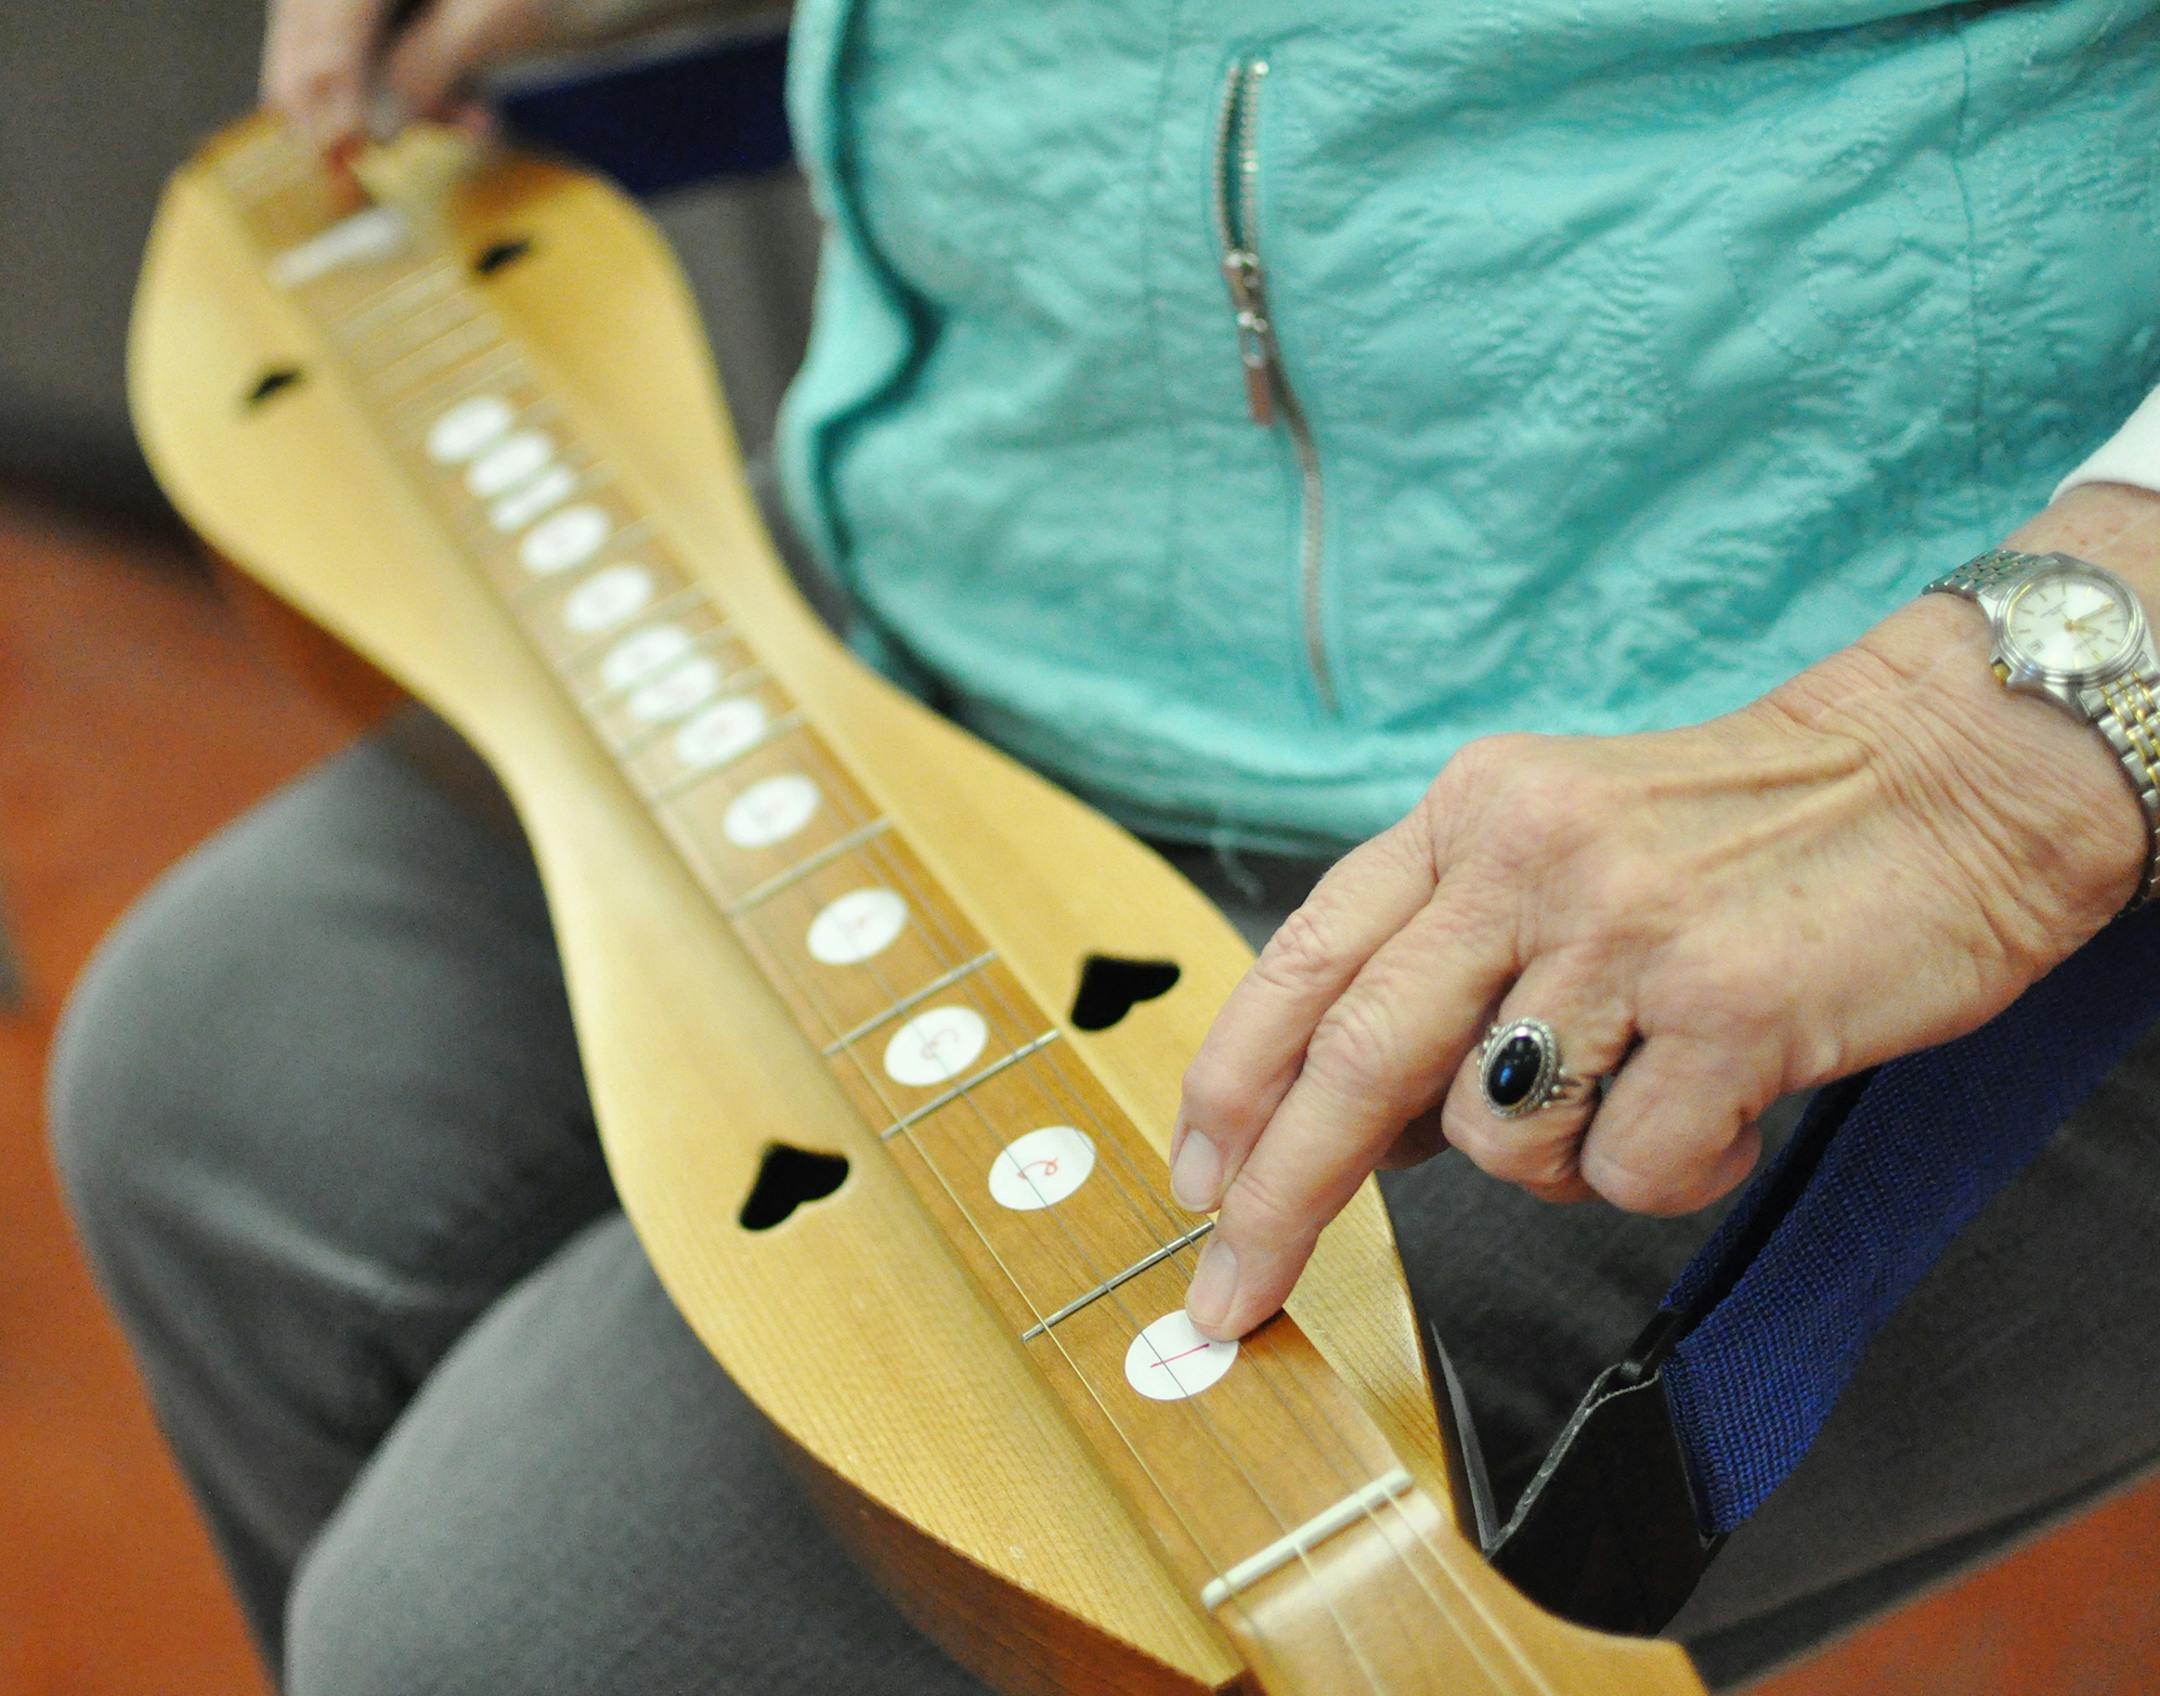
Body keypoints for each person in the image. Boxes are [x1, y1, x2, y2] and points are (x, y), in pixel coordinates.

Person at [51, 0, 2160, 1690]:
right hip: (1013, 546)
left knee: (514, 1634)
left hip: (1855, 773)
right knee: (218, 1079)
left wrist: (2017, 733)